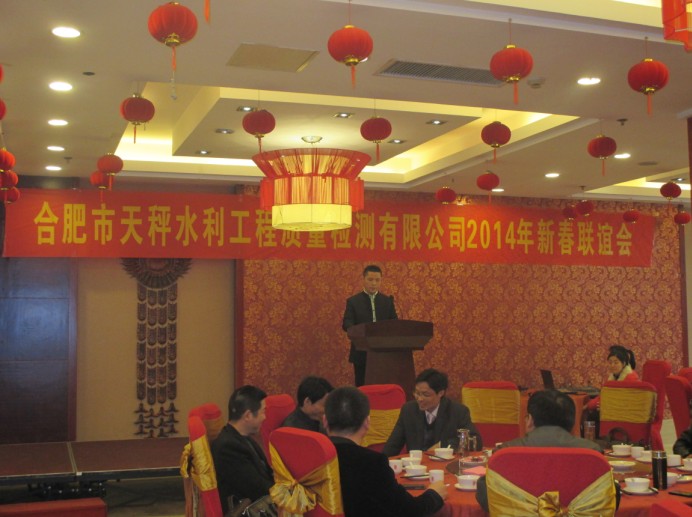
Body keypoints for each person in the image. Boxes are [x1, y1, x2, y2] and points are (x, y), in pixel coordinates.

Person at [325, 386, 447, 517]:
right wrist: (434, 495)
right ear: (367, 422)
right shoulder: (371, 463)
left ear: (325, 421)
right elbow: (409, 511)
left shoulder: (313, 458)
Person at [476, 389, 606, 512]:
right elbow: (607, 498)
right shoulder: (592, 452)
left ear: (530, 420)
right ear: (572, 423)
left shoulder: (505, 453)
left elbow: (487, 498)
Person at [382, 368, 482, 456]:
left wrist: (442, 445)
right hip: (416, 466)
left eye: (426, 394)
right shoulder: (408, 410)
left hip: (444, 466)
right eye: (417, 393)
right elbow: (393, 445)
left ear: (441, 393)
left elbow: (475, 441)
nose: (419, 399)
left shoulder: (457, 411)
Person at [211, 385, 274, 515]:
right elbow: (258, 489)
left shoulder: (241, 438)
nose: (265, 417)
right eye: (263, 412)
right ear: (248, 415)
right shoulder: (228, 448)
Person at [342, 264, 398, 386]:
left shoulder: (387, 301)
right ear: (363, 279)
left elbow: (394, 323)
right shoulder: (353, 301)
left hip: (383, 352)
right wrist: (357, 331)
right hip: (361, 352)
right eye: (370, 279)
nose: (374, 283)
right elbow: (346, 323)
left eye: (377, 280)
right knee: (362, 386)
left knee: (381, 386)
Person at [584, 345, 639, 415]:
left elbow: (625, 402)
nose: (612, 365)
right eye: (610, 362)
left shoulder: (631, 378)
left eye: (616, 362)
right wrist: (588, 405)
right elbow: (603, 396)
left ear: (624, 363)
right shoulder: (614, 377)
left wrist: (606, 406)